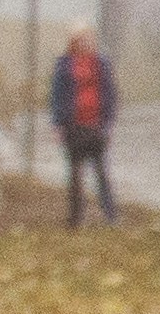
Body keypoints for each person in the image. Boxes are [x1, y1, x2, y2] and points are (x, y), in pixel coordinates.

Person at [52, 24, 121, 224]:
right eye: (80, 40)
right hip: (73, 126)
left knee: (101, 172)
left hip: (96, 126)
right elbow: (57, 96)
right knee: (75, 174)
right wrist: (58, 124)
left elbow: (110, 94)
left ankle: (111, 216)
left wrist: (108, 122)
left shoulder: (101, 64)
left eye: (88, 39)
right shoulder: (64, 65)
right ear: (73, 42)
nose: (85, 43)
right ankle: (75, 219)